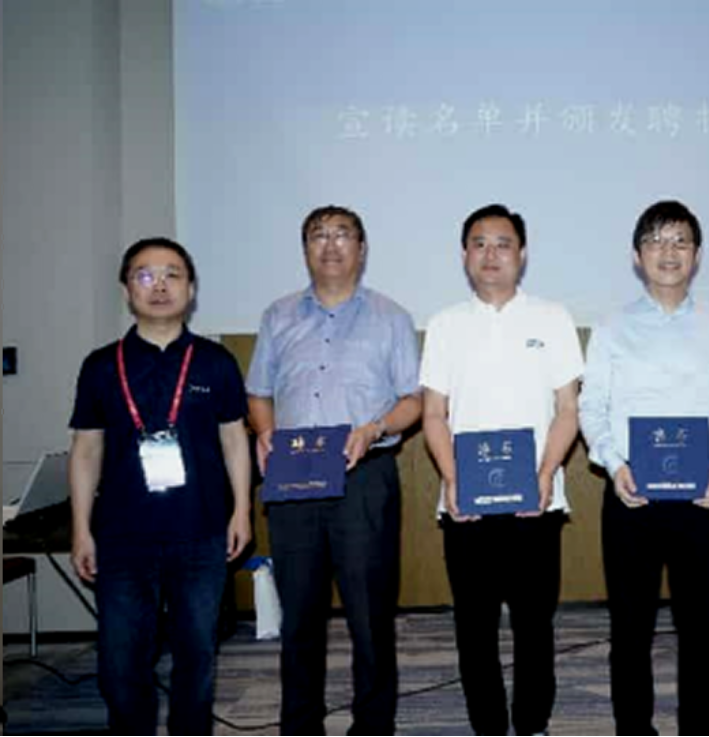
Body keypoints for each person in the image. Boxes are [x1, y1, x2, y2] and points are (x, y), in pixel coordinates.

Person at [246, 205, 421, 736]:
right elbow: (259, 392)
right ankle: (301, 725)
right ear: (305, 249)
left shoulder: (391, 317)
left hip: (364, 475)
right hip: (293, 474)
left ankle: (373, 725)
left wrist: (374, 427)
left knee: (370, 615)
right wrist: (264, 431)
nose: (330, 245)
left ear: (361, 249)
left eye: (342, 235)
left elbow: (413, 400)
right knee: (299, 614)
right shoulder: (278, 316)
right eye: (318, 236)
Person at [69, 237, 252, 736]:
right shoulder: (101, 365)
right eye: (145, 275)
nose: (160, 285)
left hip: (201, 531)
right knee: (122, 661)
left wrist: (241, 511)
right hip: (122, 536)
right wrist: (81, 529)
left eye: (173, 274)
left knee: (197, 655)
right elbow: (86, 450)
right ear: (126, 289)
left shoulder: (215, 361)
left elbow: (234, 439)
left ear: (191, 289)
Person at [579, 200, 709, 736]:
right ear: (637, 255)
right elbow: (592, 407)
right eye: (655, 241)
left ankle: (699, 727)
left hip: (701, 493)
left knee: (699, 624)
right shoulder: (611, 327)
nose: (668, 252)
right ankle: (634, 728)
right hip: (632, 493)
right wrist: (613, 463)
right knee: (631, 625)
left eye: (680, 241)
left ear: (697, 255)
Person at [420, 204, 583, 737]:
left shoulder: (552, 318)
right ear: (464, 255)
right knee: (474, 626)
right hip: (465, 502)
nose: (491, 254)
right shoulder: (445, 325)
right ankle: (488, 726)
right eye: (479, 243)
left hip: (535, 499)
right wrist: (452, 479)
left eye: (503, 243)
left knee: (534, 624)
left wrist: (545, 473)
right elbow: (434, 414)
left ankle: (532, 723)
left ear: (523, 253)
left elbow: (568, 409)